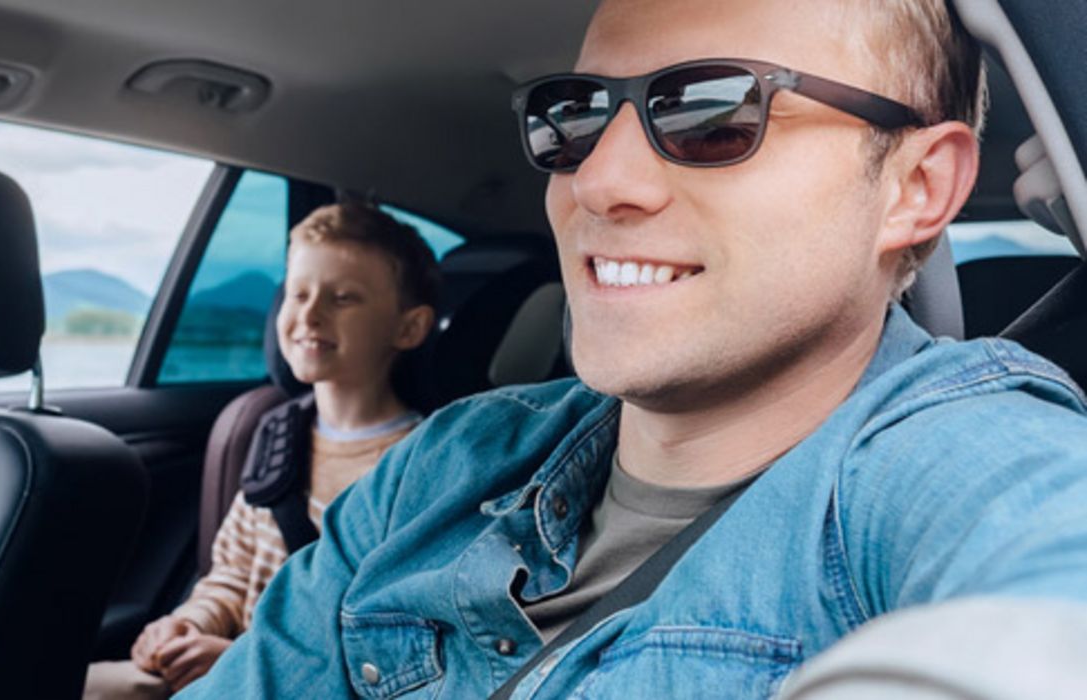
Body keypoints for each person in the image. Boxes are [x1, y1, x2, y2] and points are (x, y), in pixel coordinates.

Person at [181, 0, 1087, 698]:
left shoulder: (956, 459)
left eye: (710, 112)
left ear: (916, 186)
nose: (595, 180)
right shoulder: (439, 469)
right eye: (571, 116)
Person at [83, 202, 439, 699]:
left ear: (410, 328)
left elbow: (395, 640)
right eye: (297, 293)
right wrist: (187, 625)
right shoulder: (278, 438)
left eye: (343, 298)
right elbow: (230, 574)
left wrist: (243, 659)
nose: (310, 315)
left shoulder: (423, 465)